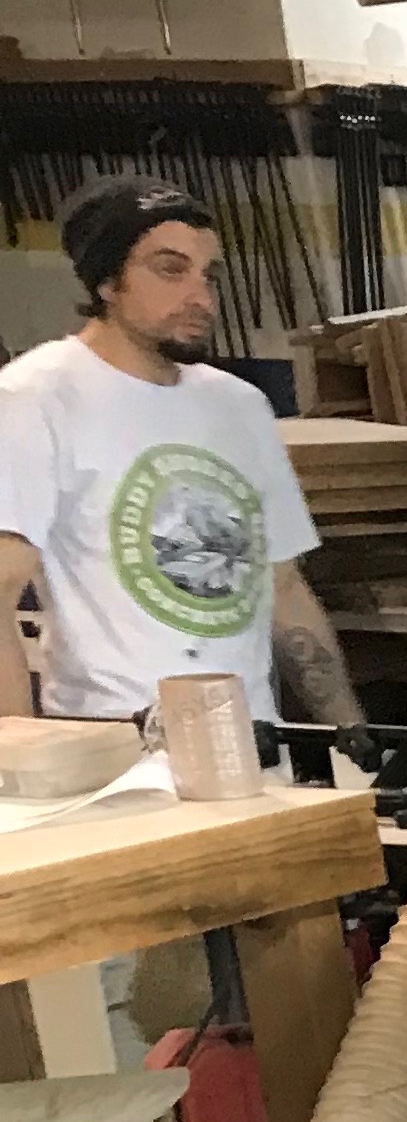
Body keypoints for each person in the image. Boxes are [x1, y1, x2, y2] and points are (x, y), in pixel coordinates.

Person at [0, 174, 360, 731]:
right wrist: (18, 764)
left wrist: (354, 737)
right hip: (122, 746)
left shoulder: (239, 406)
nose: (200, 298)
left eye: (207, 275)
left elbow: (284, 589)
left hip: (254, 740)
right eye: (170, 270)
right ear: (106, 281)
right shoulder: (36, 397)